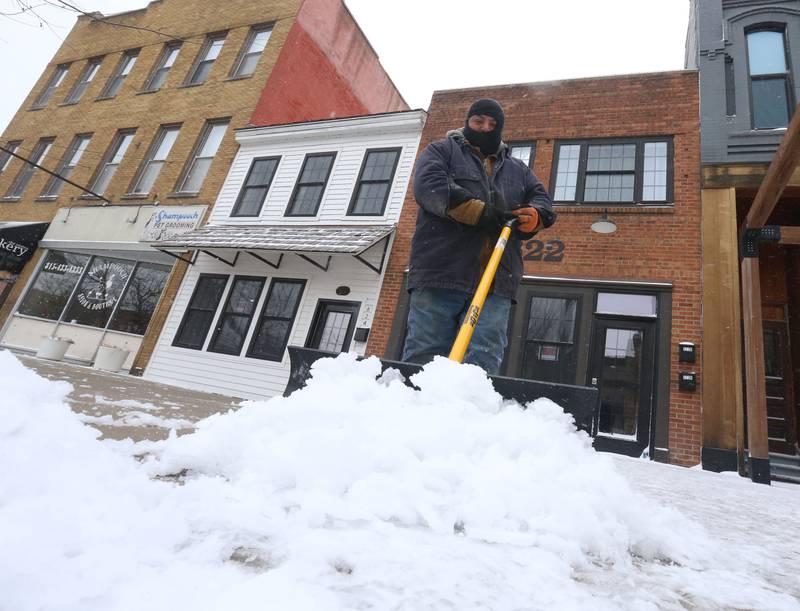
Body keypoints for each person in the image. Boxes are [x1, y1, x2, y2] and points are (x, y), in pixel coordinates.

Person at [402, 98, 556, 374]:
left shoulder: (518, 169)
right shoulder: (441, 151)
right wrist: (483, 214)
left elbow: (542, 201)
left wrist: (536, 216)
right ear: (468, 122)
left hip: (497, 281)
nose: (485, 128)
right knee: (425, 358)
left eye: (493, 124)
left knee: (482, 366)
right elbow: (431, 188)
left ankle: (471, 415)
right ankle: (418, 414)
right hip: (441, 273)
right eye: (479, 121)